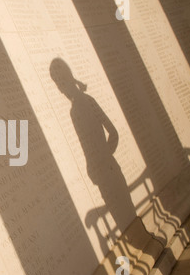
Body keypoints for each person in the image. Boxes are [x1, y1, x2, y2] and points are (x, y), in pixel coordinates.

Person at [50, 58, 136, 250]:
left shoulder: (82, 105)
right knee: (130, 226)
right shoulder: (83, 103)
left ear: (67, 81)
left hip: (107, 174)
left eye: (60, 83)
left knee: (129, 226)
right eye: (57, 84)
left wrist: (101, 160)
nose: (59, 89)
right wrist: (102, 160)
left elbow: (112, 133)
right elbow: (110, 135)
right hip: (107, 172)